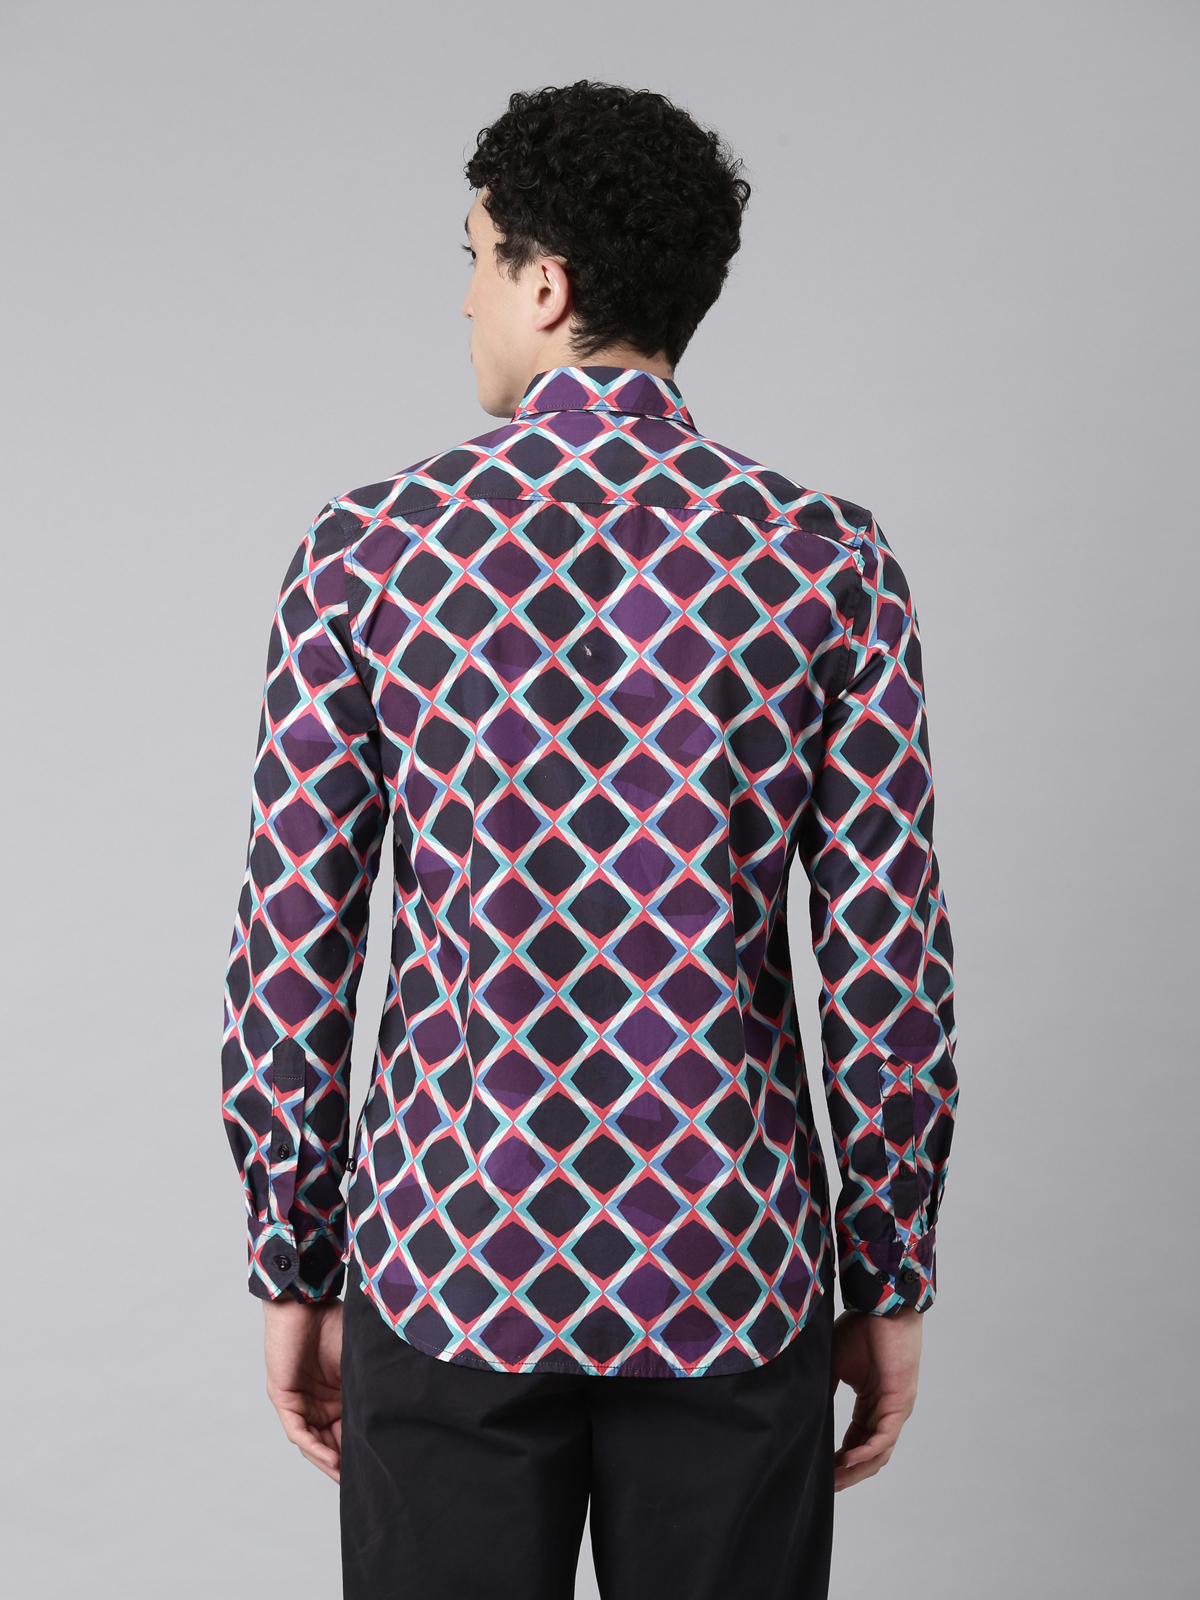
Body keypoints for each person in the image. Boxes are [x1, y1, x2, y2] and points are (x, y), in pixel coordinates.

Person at [221, 79, 958, 1600]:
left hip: (450, 1258)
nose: (465, 297)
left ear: (545, 285)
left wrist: (293, 1256)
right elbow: (888, 961)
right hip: (730, 1267)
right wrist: (889, 1270)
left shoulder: (370, 551)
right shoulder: (827, 558)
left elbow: (295, 944)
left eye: (475, 256)